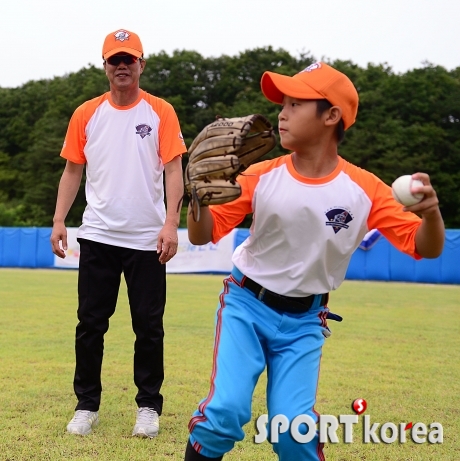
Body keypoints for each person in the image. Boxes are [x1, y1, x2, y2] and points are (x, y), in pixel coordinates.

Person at [183, 62, 445, 460]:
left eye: (294, 104)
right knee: (225, 412)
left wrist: (431, 215)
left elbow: (425, 247)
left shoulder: (365, 189)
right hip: (245, 305)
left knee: (293, 431)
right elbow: (203, 235)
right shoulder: (259, 175)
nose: (281, 113)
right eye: (282, 104)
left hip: (304, 321)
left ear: (331, 116)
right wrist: (197, 198)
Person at [50, 29, 186, 438]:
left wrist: (170, 222)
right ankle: (86, 405)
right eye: (115, 59)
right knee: (90, 325)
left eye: (129, 59)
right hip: (98, 235)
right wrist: (59, 219)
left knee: (148, 326)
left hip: (147, 239)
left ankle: (148, 407)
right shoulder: (86, 113)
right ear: (105, 66)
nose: (122, 66)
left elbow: (174, 169)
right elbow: (73, 169)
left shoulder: (161, 111)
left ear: (142, 64)